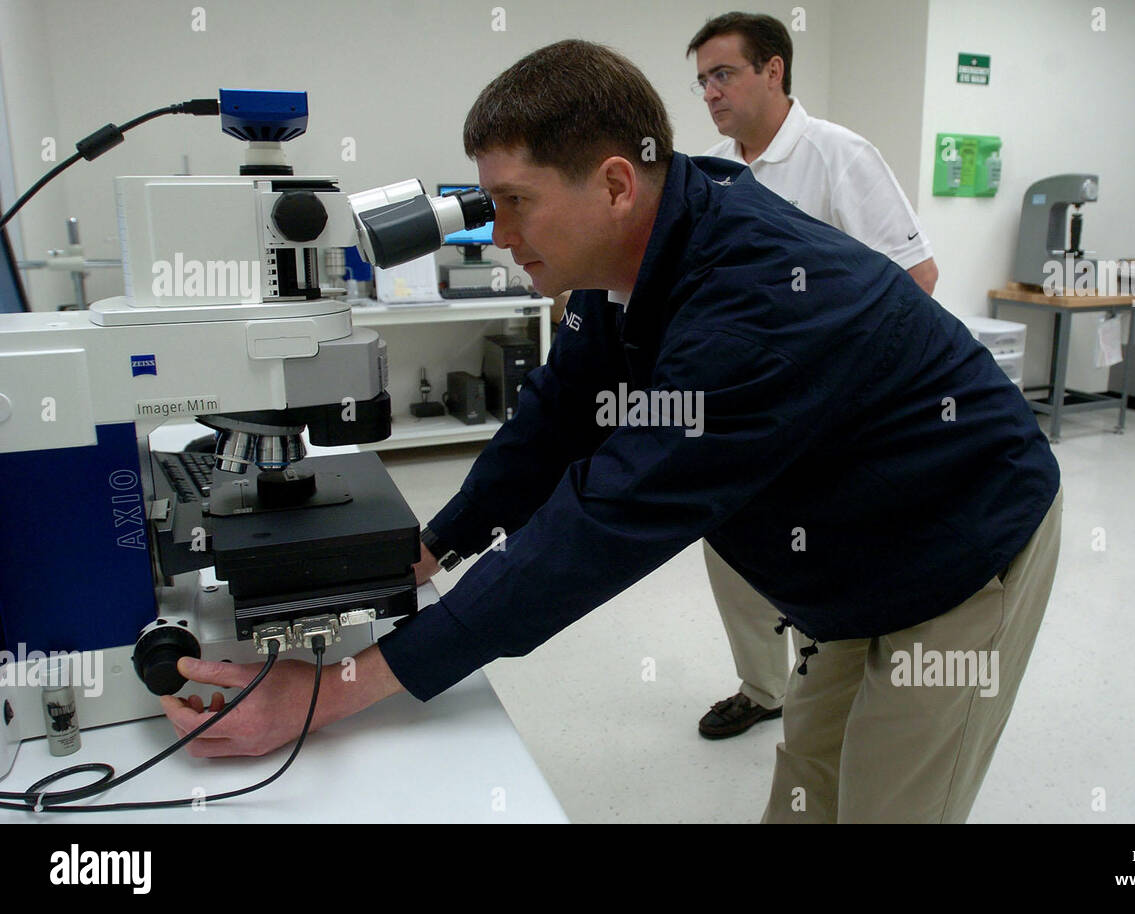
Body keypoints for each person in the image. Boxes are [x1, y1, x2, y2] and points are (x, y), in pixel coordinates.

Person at [163, 40, 1063, 823]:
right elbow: (557, 414)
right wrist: (432, 545)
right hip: (841, 565)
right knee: (805, 793)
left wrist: (329, 693)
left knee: (887, 809)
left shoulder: (752, 308)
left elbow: (597, 528)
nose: (499, 234)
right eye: (488, 205)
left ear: (616, 183)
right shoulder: (626, 258)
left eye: (515, 203)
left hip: (953, 552)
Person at [687, 11, 941, 739]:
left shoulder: (840, 156)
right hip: (748, 405)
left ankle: (825, 694)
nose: (710, 92)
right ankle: (761, 687)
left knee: (818, 553)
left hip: (831, 409)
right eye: (702, 80)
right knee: (732, 548)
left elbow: (915, 276)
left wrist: (843, 380)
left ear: (774, 70)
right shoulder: (714, 171)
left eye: (723, 73)